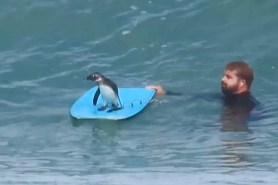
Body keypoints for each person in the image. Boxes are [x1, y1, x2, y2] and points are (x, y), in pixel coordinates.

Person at [146, 61, 259, 131]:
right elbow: (198, 96)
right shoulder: (229, 97)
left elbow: (234, 125)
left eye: (228, 77)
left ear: (242, 82)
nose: (222, 79)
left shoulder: (244, 104)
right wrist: (165, 92)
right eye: (224, 75)